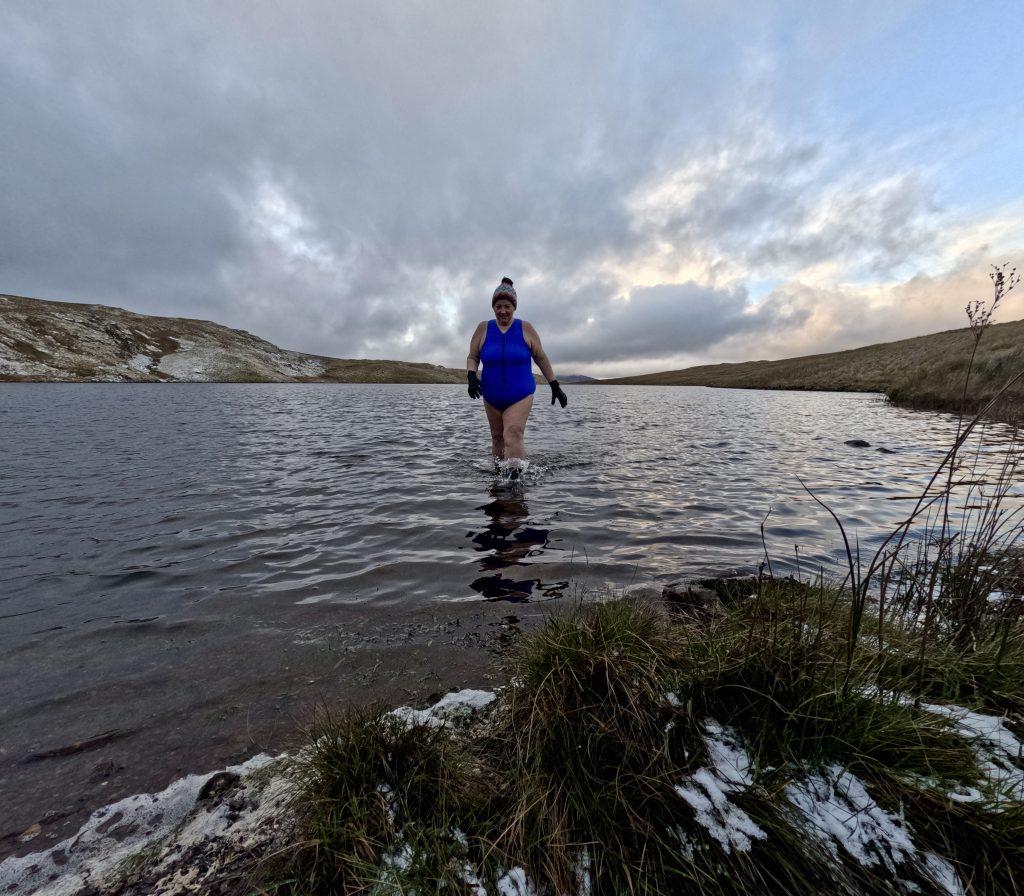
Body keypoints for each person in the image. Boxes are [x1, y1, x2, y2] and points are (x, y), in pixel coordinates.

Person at [466, 277, 567, 466]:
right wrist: (471, 375)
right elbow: (473, 356)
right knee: (497, 437)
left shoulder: (525, 328)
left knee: (513, 432)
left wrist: (555, 385)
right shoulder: (483, 328)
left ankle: (515, 478)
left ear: (514, 307)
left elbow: (541, 357)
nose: (502, 311)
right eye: (498, 306)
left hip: (520, 394)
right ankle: (498, 478)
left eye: (507, 306)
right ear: (493, 307)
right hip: (491, 394)